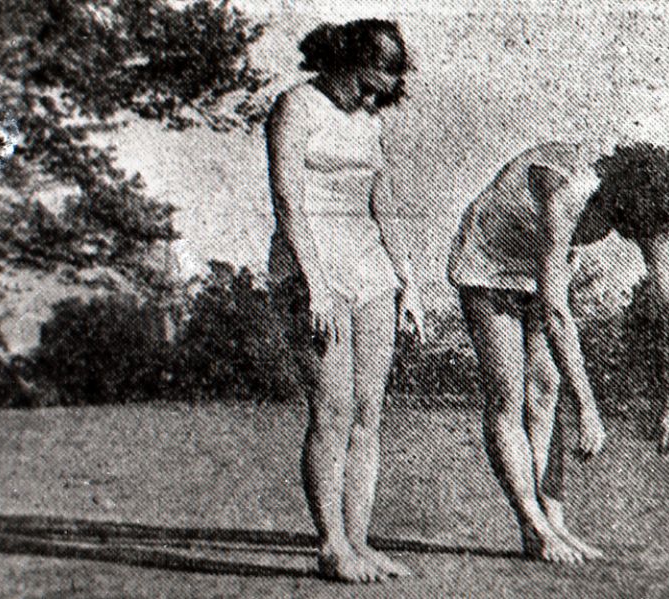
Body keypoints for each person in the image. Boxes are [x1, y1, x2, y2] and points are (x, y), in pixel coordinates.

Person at [447, 139, 669, 563]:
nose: (649, 239)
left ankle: (556, 524)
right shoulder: (568, 189)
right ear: (629, 200)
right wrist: (587, 408)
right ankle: (534, 526)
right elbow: (555, 311)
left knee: (546, 389)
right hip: (490, 257)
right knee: (508, 395)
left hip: (544, 261)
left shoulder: (650, 209)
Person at [265, 19, 424, 583]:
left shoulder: (371, 120)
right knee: (331, 410)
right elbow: (287, 199)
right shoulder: (295, 106)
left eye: (382, 90)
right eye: (367, 83)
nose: (371, 98)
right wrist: (314, 280)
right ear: (345, 60)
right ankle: (332, 546)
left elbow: (384, 207)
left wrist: (407, 283)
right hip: (310, 264)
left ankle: (359, 541)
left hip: (370, 269)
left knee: (368, 412)